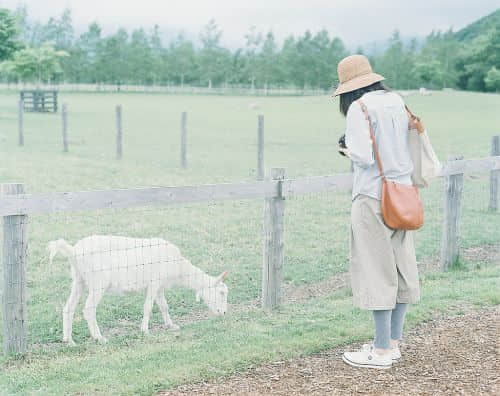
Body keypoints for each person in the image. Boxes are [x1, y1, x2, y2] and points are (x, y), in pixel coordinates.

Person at [333, 54, 425, 370]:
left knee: (376, 270)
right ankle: (393, 342)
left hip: (372, 197)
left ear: (348, 88)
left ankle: (381, 350)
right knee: (401, 267)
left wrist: (344, 147)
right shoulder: (397, 101)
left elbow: (363, 155)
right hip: (403, 195)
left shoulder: (359, 109)